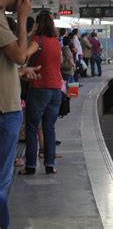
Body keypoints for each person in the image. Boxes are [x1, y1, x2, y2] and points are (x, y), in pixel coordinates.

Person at [0, 0, 38, 229]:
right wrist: (23, 20)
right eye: (29, 0)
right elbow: (19, 55)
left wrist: (17, 72)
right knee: (1, 184)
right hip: (4, 110)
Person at [19, 11, 62, 176]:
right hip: (56, 89)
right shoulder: (55, 42)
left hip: (39, 88)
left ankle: (30, 166)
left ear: (38, 24)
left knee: (31, 128)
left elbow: (24, 55)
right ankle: (50, 166)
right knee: (49, 128)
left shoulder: (39, 39)